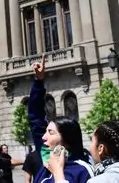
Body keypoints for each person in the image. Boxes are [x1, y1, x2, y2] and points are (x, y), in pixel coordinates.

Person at [29, 55, 92, 183]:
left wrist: (58, 173)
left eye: (50, 132)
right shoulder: (47, 161)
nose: (43, 137)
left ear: (67, 140)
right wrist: (38, 81)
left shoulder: (83, 171)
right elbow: (35, 119)